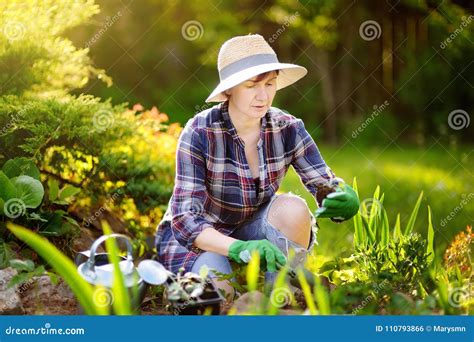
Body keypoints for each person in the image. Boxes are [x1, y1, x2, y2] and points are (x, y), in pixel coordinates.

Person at [155, 34, 359, 300]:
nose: (263, 96)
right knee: (218, 294)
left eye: (270, 84)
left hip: (252, 229)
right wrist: (240, 248)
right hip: (201, 240)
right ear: (229, 90)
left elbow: (324, 183)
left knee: (294, 209)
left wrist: (341, 196)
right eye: (252, 86)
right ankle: (229, 283)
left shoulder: (288, 128)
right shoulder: (199, 132)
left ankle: (280, 292)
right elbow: (185, 222)